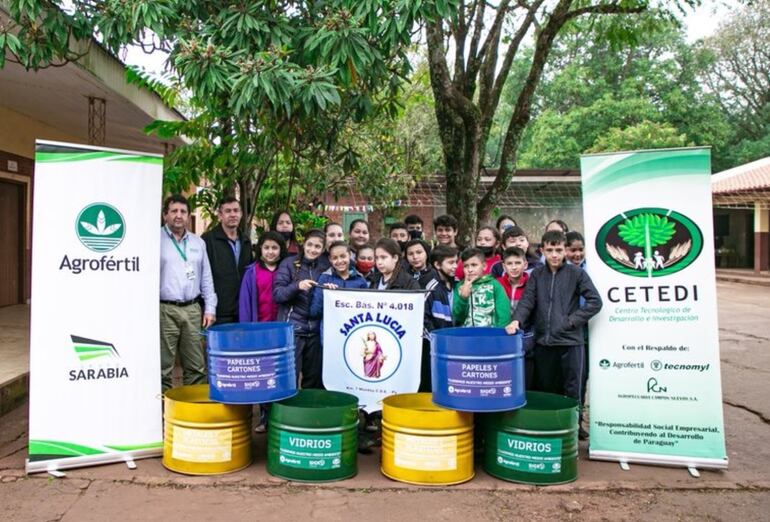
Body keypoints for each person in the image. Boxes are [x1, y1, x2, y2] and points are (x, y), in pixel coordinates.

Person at [506, 230, 602, 440]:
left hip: (571, 343)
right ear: (542, 251)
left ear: (565, 250)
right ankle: (548, 430)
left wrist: (571, 321)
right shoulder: (537, 275)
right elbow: (527, 301)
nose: (555, 255)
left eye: (559, 250)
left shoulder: (577, 274)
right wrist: (517, 320)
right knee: (546, 390)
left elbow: (595, 302)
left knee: (572, 391)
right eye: (550, 250)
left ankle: (572, 432)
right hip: (544, 343)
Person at [159, 194, 217, 392]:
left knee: (196, 367)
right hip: (165, 309)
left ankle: (193, 413)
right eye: (174, 211)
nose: (178, 215)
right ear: (165, 215)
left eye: (183, 211)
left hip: (193, 309)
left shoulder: (198, 243)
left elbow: (206, 278)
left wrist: (210, 308)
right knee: (163, 367)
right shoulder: (154, 240)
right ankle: (163, 414)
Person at [273, 229, 326, 389]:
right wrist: (297, 286)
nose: (313, 249)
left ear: (323, 249)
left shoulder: (325, 267)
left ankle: (308, 412)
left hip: (315, 332)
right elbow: (277, 294)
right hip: (293, 331)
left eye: (318, 246)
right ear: (304, 244)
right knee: (289, 378)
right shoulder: (289, 263)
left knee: (313, 380)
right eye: (310, 244)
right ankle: (286, 412)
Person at [201, 197, 253, 325]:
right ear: (220, 215)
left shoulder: (245, 241)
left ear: (241, 214)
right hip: (218, 312)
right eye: (228, 211)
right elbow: (203, 277)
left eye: (236, 210)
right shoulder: (208, 240)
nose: (233, 214)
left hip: (242, 310)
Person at [420, 245, 458, 391]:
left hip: (448, 345)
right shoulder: (429, 284)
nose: (455, 266)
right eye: (450, 262)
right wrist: (435, 340)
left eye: (456, 262)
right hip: (431, 346)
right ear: (437, 264)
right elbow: (421, 318)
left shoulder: (455, 282)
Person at [497, 247, 535, 388]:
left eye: (517, 263)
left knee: (525, 381)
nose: (514, 267)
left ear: (525, 264)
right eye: (510, 263)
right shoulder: (497, 284)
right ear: (503, 265)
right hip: (502, 338)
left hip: (526, 339)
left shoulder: (532, 283)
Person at [309, 240, 369, 320]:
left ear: (350, 255)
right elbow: (314, 312)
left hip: (352, 328)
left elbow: (367, 311)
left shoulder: (360, 280)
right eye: (335, 258)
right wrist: (325, 292)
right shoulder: (325, 278)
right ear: (330, 259)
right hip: (330, 329)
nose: (339, 261)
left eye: (343, 256)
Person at [452, 247, 510, 327]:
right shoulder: (460, 286)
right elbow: (459, 317)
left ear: (484, 266)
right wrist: (463, 299)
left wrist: (499, 335)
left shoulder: (494, 285)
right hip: (467, 336)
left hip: (490, 336)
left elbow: (504, 314)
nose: (470, 270)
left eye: (474, 265)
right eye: (466, 266)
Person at [238, 231, 287, 322]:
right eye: (266, 247)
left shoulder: (286, 270)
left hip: (281, 326)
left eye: (275, 248)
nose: (270, 251)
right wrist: (246, 328)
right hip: (258, 327)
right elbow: (245, 304)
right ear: (260, 248)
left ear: (281, 249)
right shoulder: (251, 272)